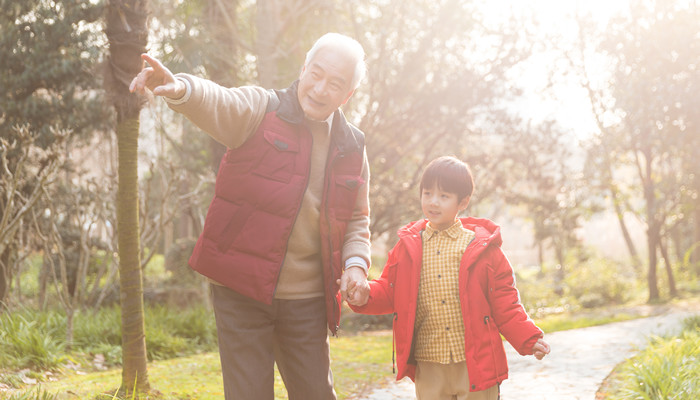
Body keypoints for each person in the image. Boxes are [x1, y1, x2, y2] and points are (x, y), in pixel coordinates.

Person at [129, 33, 371, 400]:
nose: (320, 89)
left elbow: (357, 220)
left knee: (316, 394)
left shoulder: (352, 147)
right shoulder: (261, 109)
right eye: (315, 74)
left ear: (347, 95)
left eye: (335, 84)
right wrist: (179, 88)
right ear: (303, 69)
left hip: (306, 299)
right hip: (241, 290)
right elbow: (219, 101)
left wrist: (356, 264)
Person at [349, 156, 550, 400]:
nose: (433, 202)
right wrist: (364, 294)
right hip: (429, 361)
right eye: (427, 193)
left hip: (474, 362)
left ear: (462, 202)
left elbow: (506, 303)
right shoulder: (407, 248)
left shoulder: (484, 250)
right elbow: (389, 290)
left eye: (444, 196)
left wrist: (529, 338)